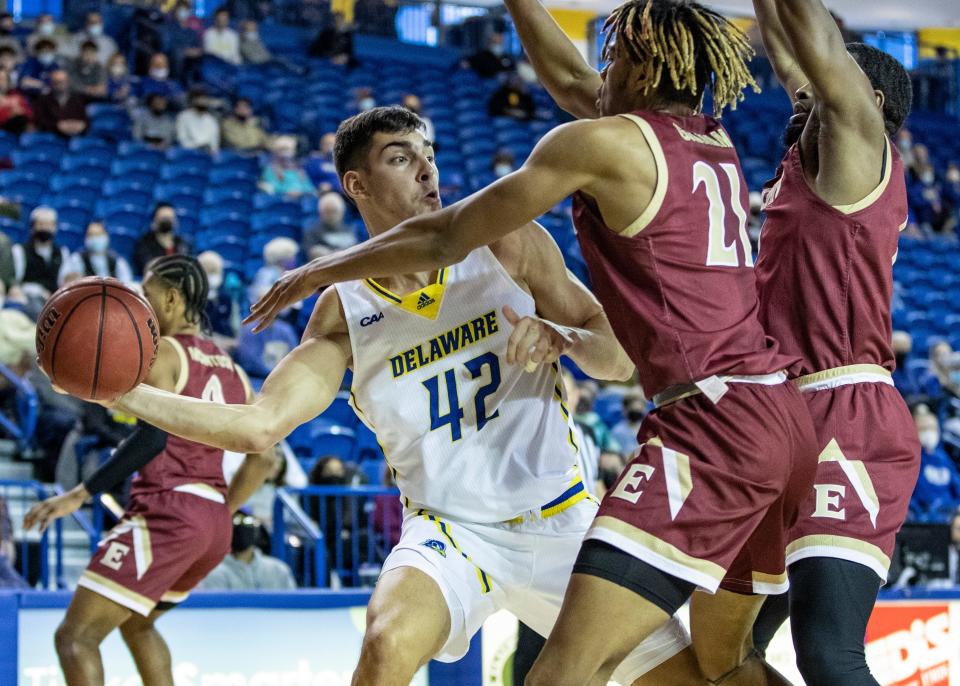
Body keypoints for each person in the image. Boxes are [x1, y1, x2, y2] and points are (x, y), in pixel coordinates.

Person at [245, 0, 824, 678]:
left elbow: (441, 236)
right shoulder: (707, 138)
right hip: (780, 416)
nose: (598, 73)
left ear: (644, 66)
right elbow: (574, 85)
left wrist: (321, 267)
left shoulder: (598, 145)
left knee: (560, 672)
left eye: (612, 58)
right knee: (723, 666)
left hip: (710, 422)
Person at [83, 106, 692, 685]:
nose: (427, 169)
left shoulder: (507, 245)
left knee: (692, 676)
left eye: (429, 154)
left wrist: (565, 338)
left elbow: (617, 357)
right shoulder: (342, 311)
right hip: (451, 533)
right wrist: (122, 391)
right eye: (401, 159)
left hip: (560, 515)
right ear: (357, 184)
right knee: (386, 642)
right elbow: (258, 426)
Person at [747, 1, 921, 684]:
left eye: (823, 85)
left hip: (844, 414)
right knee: (719, 656)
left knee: (827, 652)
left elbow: (814, 46)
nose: (803, 92)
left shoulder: (856, 148)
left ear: (862, 98)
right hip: (780, 421)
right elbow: (791, 54)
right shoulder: (813, 155)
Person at [24, 254, 278, 686]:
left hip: (167, 508)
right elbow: (267, 458)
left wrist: (80, 493)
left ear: (173, 298)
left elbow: (153, 437)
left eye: (147, 293)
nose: (141, 303)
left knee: (75, 638)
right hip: (213, 522)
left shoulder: (163, 354)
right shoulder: (236, 371)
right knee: (137, 623)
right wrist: (217, 509)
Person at [200, 512, 296, 589]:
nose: (242, 533)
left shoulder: (278, 569)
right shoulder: (215, 572)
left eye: (247, 524)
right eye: (236, 524)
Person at [911, 405, 960, 518]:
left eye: (932, 428)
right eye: (923, 428)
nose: (929, 433)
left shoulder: (943, 458)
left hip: (949, 516)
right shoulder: (911, 459)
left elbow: (956, 485)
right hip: (922, 520)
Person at [12, 206, 71, 295]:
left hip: (53, 299)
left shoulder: (63, 253)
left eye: (48, 225)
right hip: (27, 297)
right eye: (40, 224)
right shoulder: (19, 251)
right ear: (33, 227)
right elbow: (16, 282)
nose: (44, 228)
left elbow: (63, 283)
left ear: (55, 227)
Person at [63, 221, 134, 284]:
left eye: (98, 234)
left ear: (106, 236)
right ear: (85, 238)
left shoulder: (118, 261)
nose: (95, 238)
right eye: (91, 235)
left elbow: (127, 285)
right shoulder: (76, 259)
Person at [133, 203, 191, 275]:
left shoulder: (182, 243)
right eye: (163, 218)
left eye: (170, 218)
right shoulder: (145, 242)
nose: (167, 222)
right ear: (154, 221)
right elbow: (148, 266)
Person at [34, 69, 88, 138]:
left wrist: (81, 125)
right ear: (51, 83)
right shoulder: (42, 100)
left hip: (76, 137)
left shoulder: (77, 99)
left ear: (68, 82)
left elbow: (85, 121)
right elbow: (40, 121)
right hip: (52, 138)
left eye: (62, 82)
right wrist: (57, 126)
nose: (59, 85)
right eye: (56, 82)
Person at [302, 192, 357, 258]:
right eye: (328, 212)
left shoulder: (350, 229)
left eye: (334, 211)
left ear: (342, 212)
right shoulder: (312, 232)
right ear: (321, 212)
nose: (332, 215)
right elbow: (312, 252)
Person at [175, 86, 219, 153]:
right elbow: (182, 140)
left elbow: (214, 144)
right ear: (193, 100)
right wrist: (197, 147)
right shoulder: (183, 117)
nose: (203, 101)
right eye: (200, 98)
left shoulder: (211, 120)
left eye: (205, 98)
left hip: (207, 156)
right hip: (189, 154)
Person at [0, 68, 32, 135]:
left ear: (8, 82)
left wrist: (22, 111)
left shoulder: (17, 95)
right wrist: (8, 113)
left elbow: (29, 113)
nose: (1, 82)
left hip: (16, 132)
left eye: (3, 79)